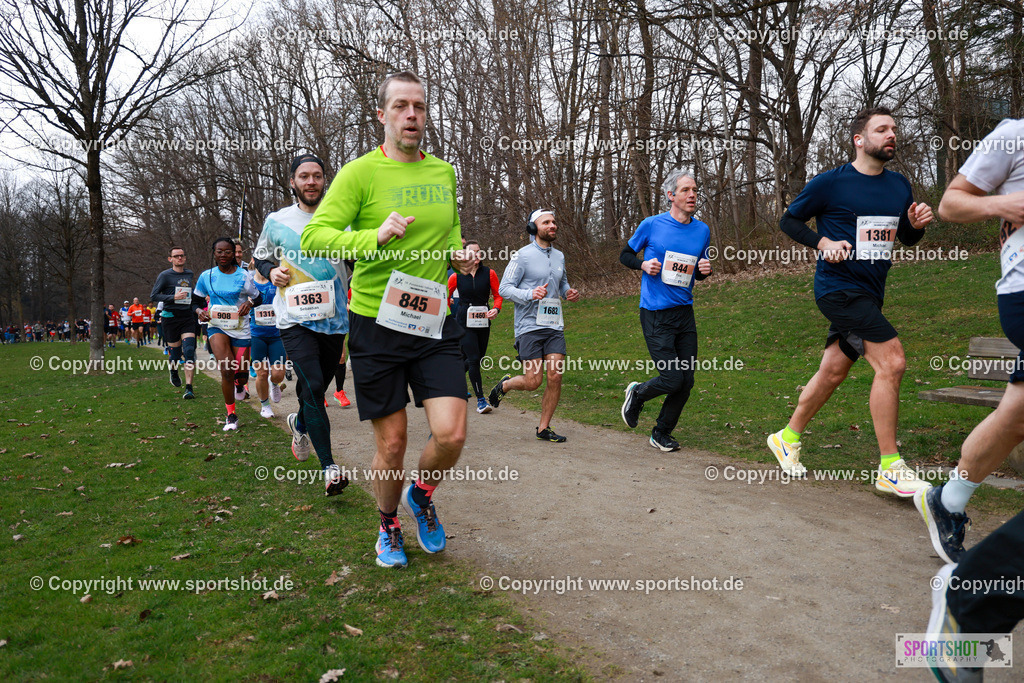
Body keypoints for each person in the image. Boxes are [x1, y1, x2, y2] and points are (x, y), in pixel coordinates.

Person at [300, 71, 472, 569]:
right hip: (376, 321)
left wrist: (459, 255)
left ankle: (420, 495)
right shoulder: (358, 174)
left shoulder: (443, 172)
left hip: (433, 317)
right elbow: (316, 238)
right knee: (392, 443)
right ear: (382, 115)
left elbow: (450, 230)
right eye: (400, 106)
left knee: (451, 434)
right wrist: (372, 237)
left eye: (418, 105)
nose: (412, 115)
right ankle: (389, 523)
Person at [767, 105, 934, 498]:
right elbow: (789, 221)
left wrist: (916, 225)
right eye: (882, 129)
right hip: (838, 289)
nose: (892, 134)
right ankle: (891, 467)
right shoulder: (830, 183)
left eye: (894, 129)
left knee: (833, 372)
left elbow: (905, 239)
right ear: (860, 140)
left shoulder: (899, 186)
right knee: (892, 363)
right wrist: (822, 242)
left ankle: (786, 437)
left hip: (871, 293)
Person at [913, 116, 1024, 563]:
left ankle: (948, 500)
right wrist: (1003, 205)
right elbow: (951, 204)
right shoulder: (1014, 134)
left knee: (1016, 415)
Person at [253, 153, 350, 496]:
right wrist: (270, 271)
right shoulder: (277, 220)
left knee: (316, 388)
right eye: (304, 176)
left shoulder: (341, 219)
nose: (311, 181)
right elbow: (261, 256)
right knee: (311, 383)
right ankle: (330, 469)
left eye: (318, 176)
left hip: (335, 318)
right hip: (293, 318)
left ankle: (299, 423)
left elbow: (357, 256)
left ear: (325, 181)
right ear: (292, 182)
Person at [619, 169, 713, 451]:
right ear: (671, 196)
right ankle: (637, 393)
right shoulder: (651, 225)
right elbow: (625, 255)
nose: (692, 195)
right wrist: (642, 265)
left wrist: (704, 272)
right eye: (685, 190)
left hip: (684, 313)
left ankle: (661, 432)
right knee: (672, 378)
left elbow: (696, 272)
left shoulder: (702, 230)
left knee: (686, 380)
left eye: (695, 190)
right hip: (656, 313)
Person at [490, 209, 581, 442]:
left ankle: (543, 428)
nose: (553, 225)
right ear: (533, 228)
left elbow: (562, 283)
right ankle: (506, 385)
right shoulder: (522, 256)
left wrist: (568, 292)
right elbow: (504, 289)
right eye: (546, 222)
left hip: (553, 325)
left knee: (555, 376)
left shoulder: (559, 256)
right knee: (533, 381)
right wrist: (530, 294)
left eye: (554, 221)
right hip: (528, 325)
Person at [194, 237, 261, 431]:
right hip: (217, 325)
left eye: (228, 252)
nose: (223, 255)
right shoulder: (206, 276)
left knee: (240, 374)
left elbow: (258, 297)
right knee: (226, 369)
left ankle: (240, 384)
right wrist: (200, 312)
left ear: (234, 254)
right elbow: (195, 302)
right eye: (219, 251)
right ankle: (231, 415)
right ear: (214, 253)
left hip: (240, 328)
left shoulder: (244, 276)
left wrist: (249, 303)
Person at [448, 238, 502, 413]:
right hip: (464, 322)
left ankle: (451, 381)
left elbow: (498, 296)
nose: (477, 255)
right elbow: (443, 296)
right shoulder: (456, 276)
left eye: (479, 251)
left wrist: (496, 309)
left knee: (476, 358)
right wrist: (448, 315)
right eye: (472, 252)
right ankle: (481, 400)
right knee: (473, 359)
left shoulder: (489, 273)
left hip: (483, 321)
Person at [150, 247, 201, 399]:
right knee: (176, 354)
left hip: (186, 316)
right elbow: (154, 295)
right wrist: (173, 297)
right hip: (170, 317)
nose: (179, 258)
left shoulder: (190, 274)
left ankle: (189, 388)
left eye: (182, 256)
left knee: (190, 350)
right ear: (170, 259)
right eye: (176, 256)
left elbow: (193, 293)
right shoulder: (164, 276)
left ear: (185, 258)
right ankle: (173, 371)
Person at [247, 259, 287, 418]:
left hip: (277, 335)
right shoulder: (248, 281)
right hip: (257, 335)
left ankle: (275, 384)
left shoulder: (278, 279)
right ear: (253, 260)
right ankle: (265, 406)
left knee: (278, 374)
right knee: (261, 373)